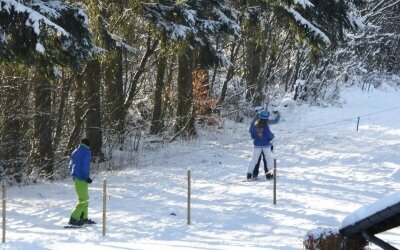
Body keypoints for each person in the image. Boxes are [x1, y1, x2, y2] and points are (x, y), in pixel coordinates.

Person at [68, 138, 96, 226]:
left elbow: (70, 165)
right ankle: (74, 218)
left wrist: (74, 174)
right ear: (88, 145)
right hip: (81, 178)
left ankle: (83, 218)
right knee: (83, 199)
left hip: (76, 178)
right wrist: (86, 177)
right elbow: (85, 166)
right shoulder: (86, 152)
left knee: (85, 198)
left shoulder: (75, 151)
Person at [250, 107, 280, 178]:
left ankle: (254, 174)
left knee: (256, 159)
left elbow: (251, 130)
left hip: (257, 143)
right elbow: (275, 121)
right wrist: (278, 116)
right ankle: (268, 175)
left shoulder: (255, 121)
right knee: (267, 159)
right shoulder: (265, 121)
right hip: (266, 143)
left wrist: (254, 137)